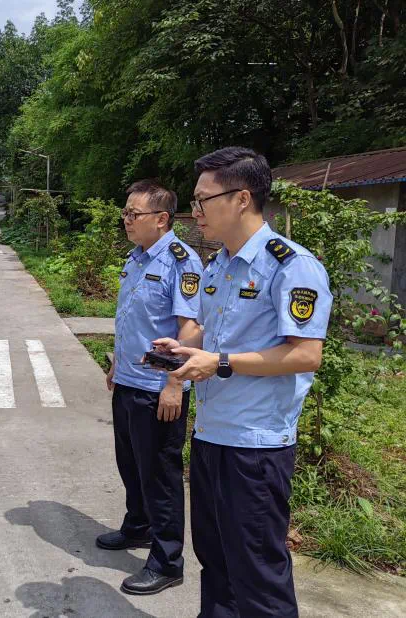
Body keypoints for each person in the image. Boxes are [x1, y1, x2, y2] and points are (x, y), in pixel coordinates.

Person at [155, 147, 333, 617]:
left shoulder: (291, 266)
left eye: (202, 200)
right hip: (213, 435)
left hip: (255, 446)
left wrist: (221, 362)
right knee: (215, 562)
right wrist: (188, 352)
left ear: (241, 198)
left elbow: (305, 353)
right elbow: (216, 340)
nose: (195, 213)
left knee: (257, 573)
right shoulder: (219, 265)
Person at [100, 180, 203, 596]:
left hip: (158, 389)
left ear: (161, 220)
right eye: (125, 213)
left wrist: (174, 384)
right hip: (128, 381)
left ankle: (167, 561)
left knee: (160, 475)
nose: (126, 220)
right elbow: (130, 317)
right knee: (131, 464)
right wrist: (115, 364)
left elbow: (190, 330)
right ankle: (137, 527)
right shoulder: (137, 256)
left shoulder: (183, 261)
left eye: (133, 214)